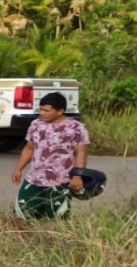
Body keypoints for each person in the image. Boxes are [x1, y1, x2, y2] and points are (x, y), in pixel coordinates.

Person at [11, 92, 89, 220]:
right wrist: (18, 169)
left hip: (60, 181)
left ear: (60, 111)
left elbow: (80, 153)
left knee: (55, 218)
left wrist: (77, 176)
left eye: (47, 110)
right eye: (41, 109)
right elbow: (29, 148)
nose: (42, 113)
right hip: (34, 179)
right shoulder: (36, 125)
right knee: (23, 215)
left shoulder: (75, 128)